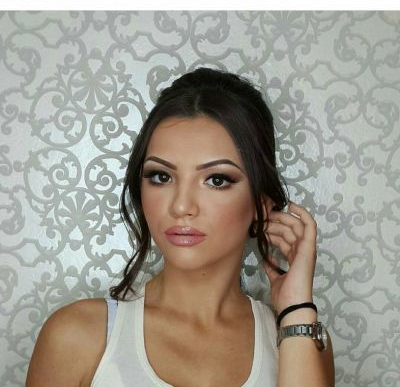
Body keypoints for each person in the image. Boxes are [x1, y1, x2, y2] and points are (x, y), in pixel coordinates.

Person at [26, 68, 334, 386]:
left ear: (263, 203)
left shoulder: (301, 339)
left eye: (217, 180)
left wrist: (296, 308)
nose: (181, 205)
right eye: (161, 176)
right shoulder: (77, 337)